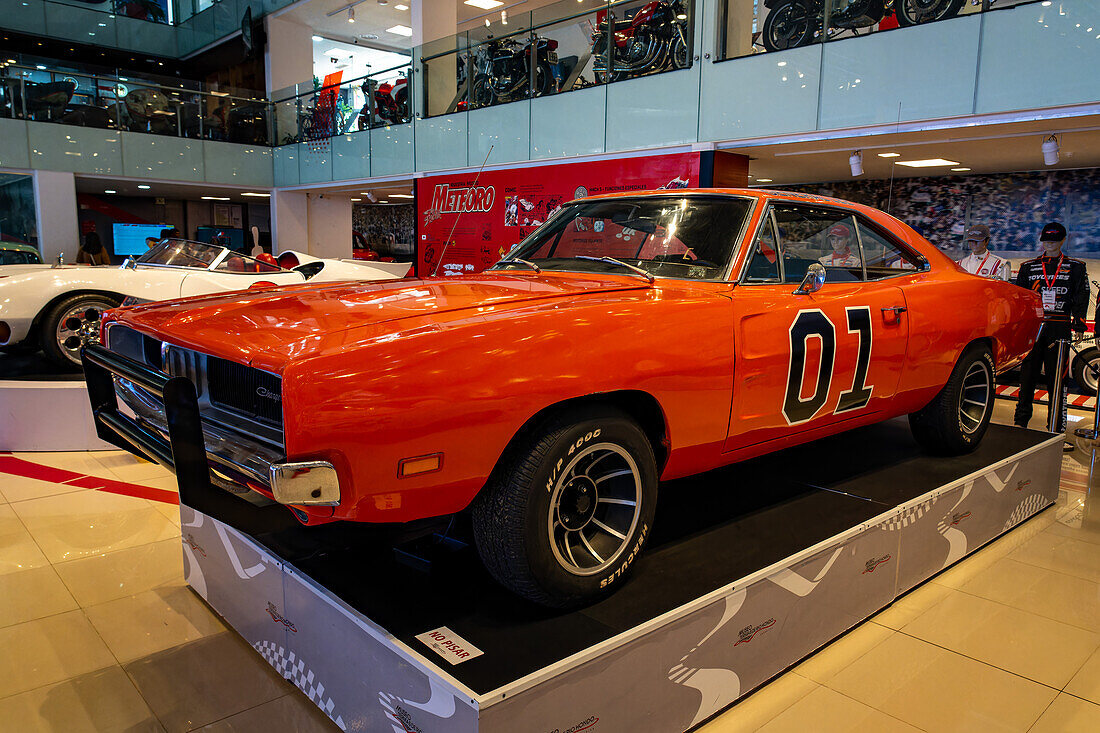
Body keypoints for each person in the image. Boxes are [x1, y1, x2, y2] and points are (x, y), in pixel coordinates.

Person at [1014, 222, 1089, 447]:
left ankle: (1056, 432)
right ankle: (1019, 426)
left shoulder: (1076, 267)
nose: (1050, 244)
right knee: (1027, 378)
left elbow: (1082, 294)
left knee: (1058, 381)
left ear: (1063, 241)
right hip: (1035, 327)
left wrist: (1079, 322)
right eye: (1047, 240)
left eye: (1054, 241)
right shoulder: (1029, 267)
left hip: (1060, 327)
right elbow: (1020, 298)